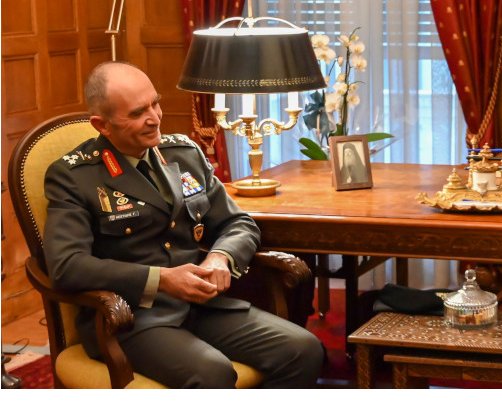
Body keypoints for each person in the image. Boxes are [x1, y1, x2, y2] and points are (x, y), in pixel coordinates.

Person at [43, 61, 324, 388]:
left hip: (201, 305)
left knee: (303, 349)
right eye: (137, 113)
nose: (154, 118)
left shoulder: (184, 153)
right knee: (213, 372)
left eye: (155, 103)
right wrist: (161, 280)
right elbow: (67, 265)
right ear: (101, 125)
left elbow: (238, 223)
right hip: (130, 320)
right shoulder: (75, 177)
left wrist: (220, 257)